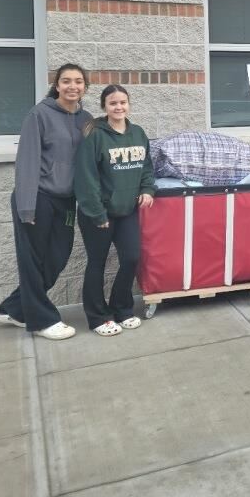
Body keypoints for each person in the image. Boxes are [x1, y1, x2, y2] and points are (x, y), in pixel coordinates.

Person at [0, 64, 92, 340]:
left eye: (78, 81)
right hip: (38, 197)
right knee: (33, 261)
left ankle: (13, 308)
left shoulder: (87, 119)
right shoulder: (39, 115)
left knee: (58, 256)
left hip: (66, 201)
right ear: (57, 85)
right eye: (66, 81)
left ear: (85, 86)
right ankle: (41, 320)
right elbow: (27, 162)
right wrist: (27, 206)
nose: (73, 86)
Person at [74, 85, 155, 336]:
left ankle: (122, 308)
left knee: (131, 258)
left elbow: (147, 168)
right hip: (98, 213)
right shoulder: (95, 134)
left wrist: (147, 190)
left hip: (128, 210)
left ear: (129, 104)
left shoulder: (138, 133)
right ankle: (98, 317)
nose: (118, 107)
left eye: (123, 102)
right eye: (113, 103)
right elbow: (85, 178)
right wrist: (97, 213)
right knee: (97, 263)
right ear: (104, 107)